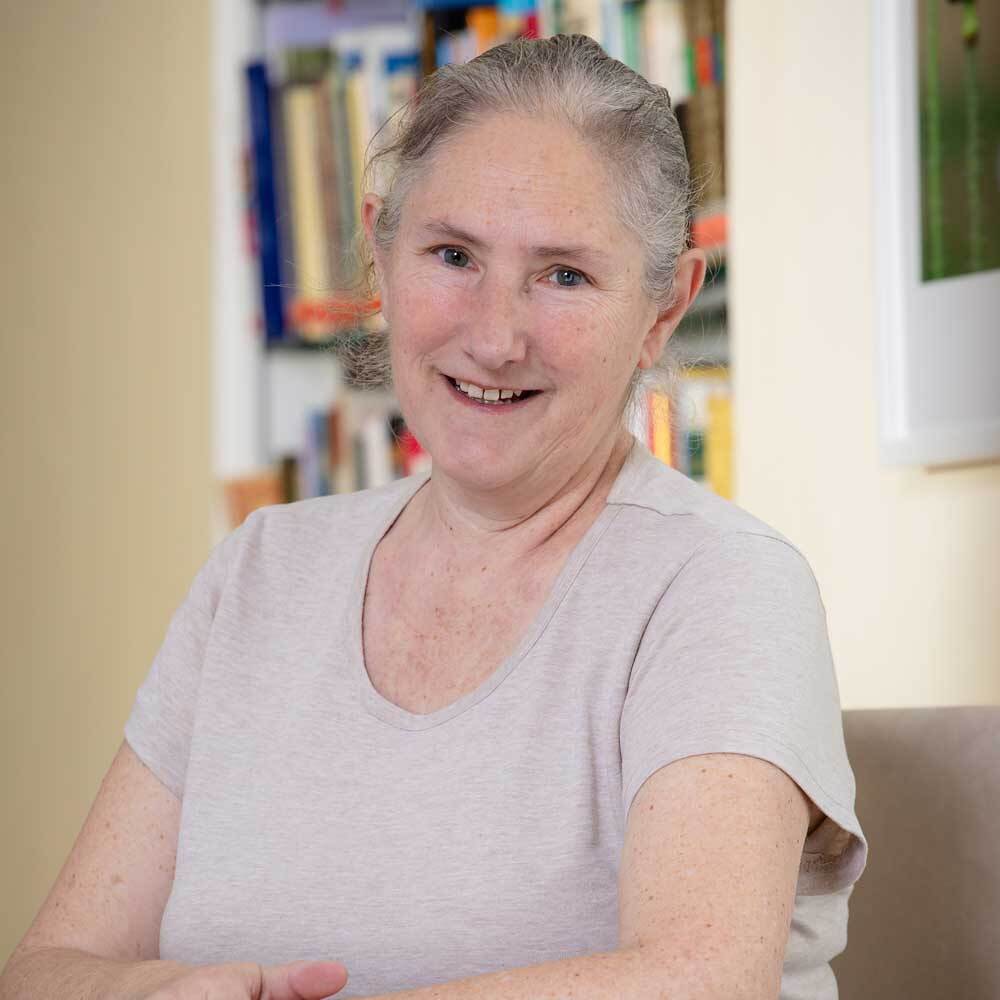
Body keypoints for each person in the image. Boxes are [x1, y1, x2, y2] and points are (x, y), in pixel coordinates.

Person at [0, 33, 867, 1000]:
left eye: (564, 275)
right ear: (382, 253)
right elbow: (45, 972)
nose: (494, 337)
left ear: (663, 308)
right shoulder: (261, 569)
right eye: (453, 255)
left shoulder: (725, 587)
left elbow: (700, 980)